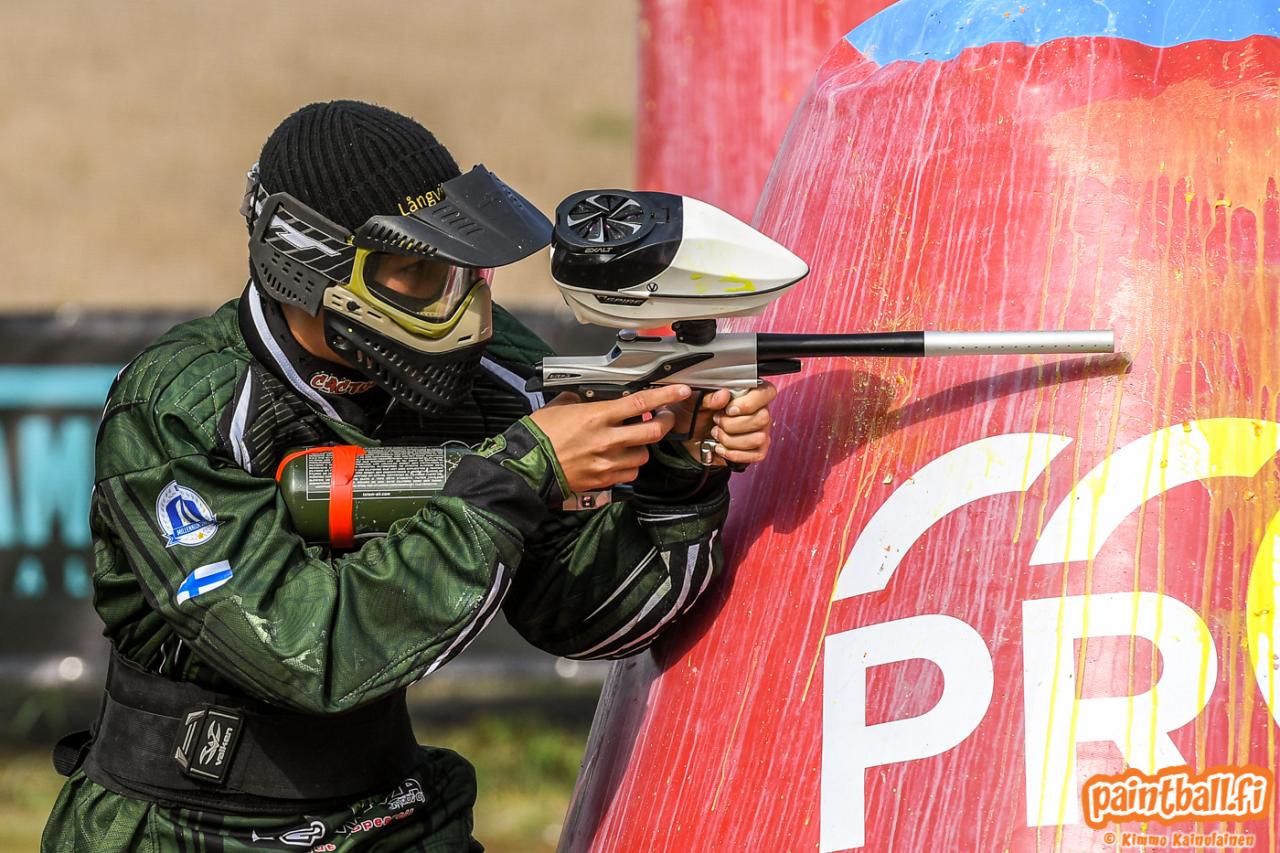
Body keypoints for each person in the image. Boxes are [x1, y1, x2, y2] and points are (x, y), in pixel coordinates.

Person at [41, 100, 777, 852]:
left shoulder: (485, 369)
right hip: (183, 827)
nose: (467, 311)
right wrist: (516, 475)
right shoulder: (179, 406)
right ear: (309, 269)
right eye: (418, 273)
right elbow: (307, 651)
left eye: (465, 271)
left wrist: (677, 469)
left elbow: (584, 616)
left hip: (388, 816)